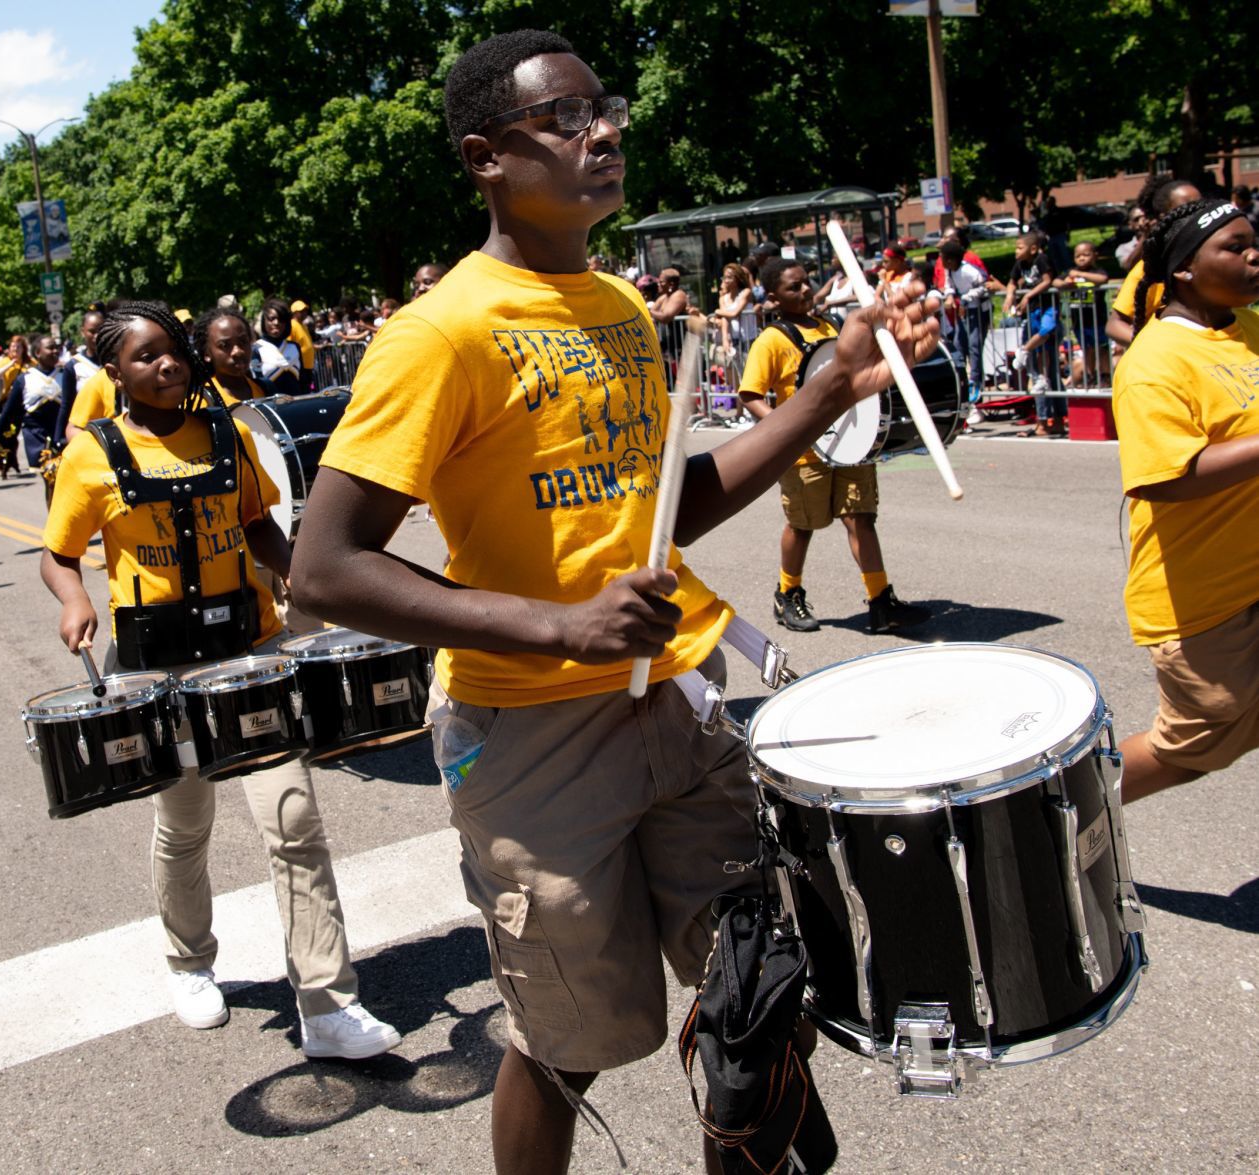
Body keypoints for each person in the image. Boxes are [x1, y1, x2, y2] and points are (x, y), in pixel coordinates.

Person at [288, 30, 934, 1174]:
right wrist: (558, 625)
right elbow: (325, 566)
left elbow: (666, 510)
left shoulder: (622, 312)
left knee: (758, 987)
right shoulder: (440, 331)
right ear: (486, 156)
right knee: (566, 1040)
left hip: (677, 705)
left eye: (606, 111)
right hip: (531, 737)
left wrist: (827, 386)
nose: (602, 134)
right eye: (566, 119)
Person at [39, 301, 401, 1058]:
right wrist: (74, 599)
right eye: (145, 356)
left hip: (247, 651)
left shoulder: (226, 433)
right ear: (115, 373)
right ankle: (189, 961)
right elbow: (61, 550)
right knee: (185, 824)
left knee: (293, 819)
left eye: (171, 350)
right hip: (154, 666)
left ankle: (328, 1004)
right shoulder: (92, 454)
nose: (166, 364)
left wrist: (304, 577)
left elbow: (258, 525)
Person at [1110, 199, 1259, 804]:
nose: (1254, 255)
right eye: (1235, 246)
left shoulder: (1248, 328)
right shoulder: (1154, 361)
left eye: (1257, 241)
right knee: (1188, 753)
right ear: (1186, 271)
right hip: (1205, 602)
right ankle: (1048, 818)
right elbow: (1167, 477)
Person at [742, 257, 930, 634]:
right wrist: (786, 429)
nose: (806, 290)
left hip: (850, 443)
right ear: (775, 297)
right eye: (794, 287)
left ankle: (880, 601)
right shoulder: (772, 340)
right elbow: (750, 394)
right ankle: (788, 594)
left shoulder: (830, 326)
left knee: (860, 518)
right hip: (805, 452)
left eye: (807, 282)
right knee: (802, 525)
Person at [1108, 174, 1203, 347]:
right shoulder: (1151, 268)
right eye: (1187, 208)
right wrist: (1155, 349)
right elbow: (1115, 325)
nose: (1198, 213)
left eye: (1201, 205)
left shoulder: (1217, 258)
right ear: (1163, 217)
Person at [0, 334, 75, 504]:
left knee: (67, 483)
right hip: (38, 438)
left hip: (63, 437)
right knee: (51, 480)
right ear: (37, 352)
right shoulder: (26, 378)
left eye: (56, 348)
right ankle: (55, 523)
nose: (55, 351)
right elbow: (10, 413)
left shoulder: (65, 374)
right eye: (50, 348)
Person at [1004, 231, 1063, 433]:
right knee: (1038, 374)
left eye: (1019, 248)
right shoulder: (1021, 265)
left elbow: (1048, 280)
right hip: (1034, 314)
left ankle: (1055, 420)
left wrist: (1027, 295)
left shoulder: (1042, 259)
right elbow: (1012, 281)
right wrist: (1010, 295)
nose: (1016, 251)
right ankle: (1043, 421)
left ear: (1033, 249)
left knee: (1050, 370)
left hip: (1047, 309)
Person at [937, 239, 992, 414]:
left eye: (943, 258)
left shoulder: (968, 270)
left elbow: (984, 285)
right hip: (963, 312)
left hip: (977, 311)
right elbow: (949, 286)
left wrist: (966, 299)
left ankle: (976, 384)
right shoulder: (950, 271)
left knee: (975, 346)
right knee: (960, 345)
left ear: (951, 260)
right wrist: (950, 296)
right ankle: (962, 380)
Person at [1060, 240, 1112, 390]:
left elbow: (1103, 279)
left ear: (1095, 255)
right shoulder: (1070, 273)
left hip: (1098, 320)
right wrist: (1066, 284)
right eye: (1078, 256)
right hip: (1080, 322)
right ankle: (1090, 375)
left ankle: (1105, 375)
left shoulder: (1097, 272)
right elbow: (1056, 282)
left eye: (1086, 254)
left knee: (1102, 349)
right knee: (1087, 349)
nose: (1081, 258)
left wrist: (1080, 274)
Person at [194, 306, 271, 403]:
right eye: (224, 345)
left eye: (243, 341)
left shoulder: (265, 389)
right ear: (207, 353)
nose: (238, 351)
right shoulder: (202, 401)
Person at [0, 335, 32, 476]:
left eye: (18, 347)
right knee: (4, 432)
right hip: (7, 402)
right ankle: (5, 461)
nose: (15, 349)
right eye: (13, 347)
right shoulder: (5, 361)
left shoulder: (29, 362)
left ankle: (10, 460)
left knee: (14, 434)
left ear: (23, 349)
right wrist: (10, 364)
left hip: (23, 403)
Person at [252, 299, 303, 395]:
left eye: (281, 319)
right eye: (271, 319)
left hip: (297, 405)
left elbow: (304, 380)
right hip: (271, 407)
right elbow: (256, 384)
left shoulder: (294, 347)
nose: (276, 323)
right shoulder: (256, 349)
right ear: (264, 321)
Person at [288, 299, 317, 391]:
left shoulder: (303, 325)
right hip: (300, 366)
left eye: (305, 311)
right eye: (301, 311)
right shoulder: (292, 325)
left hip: (308, 366)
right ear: (294, 312)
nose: (304, 313)